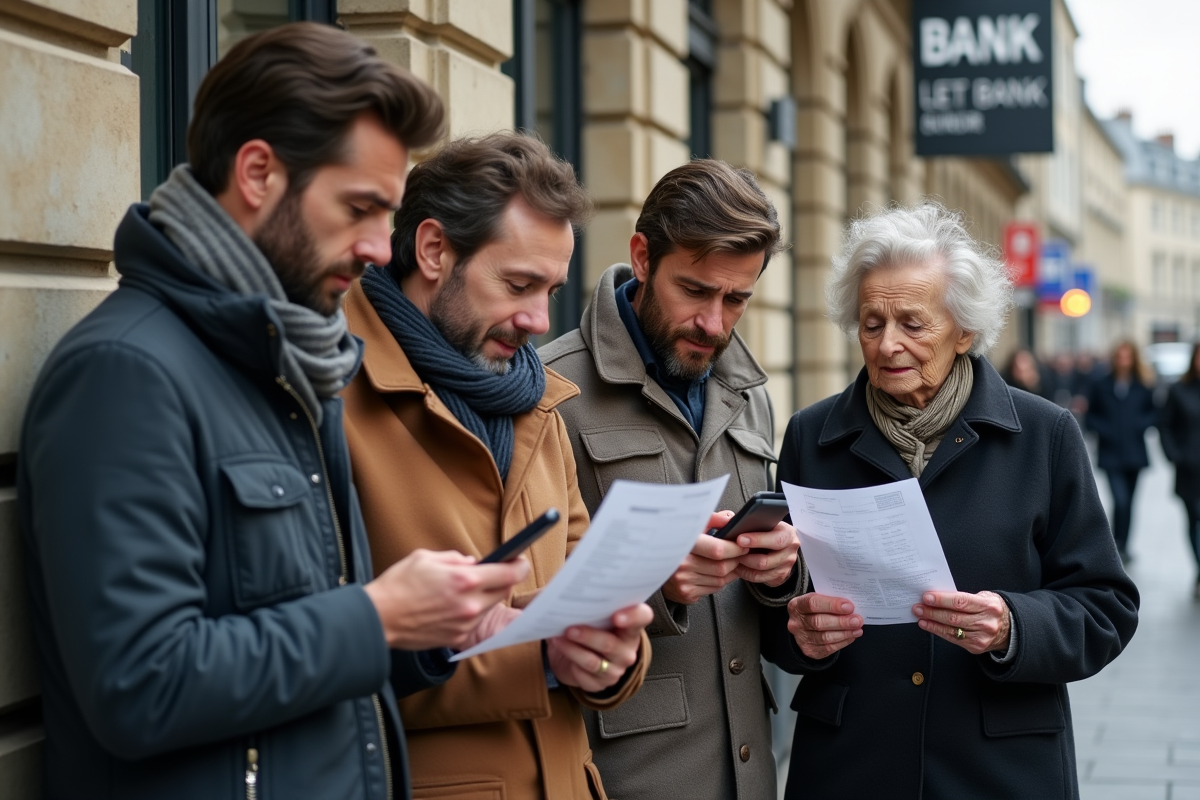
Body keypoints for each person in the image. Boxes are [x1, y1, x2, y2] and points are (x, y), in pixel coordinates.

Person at [16, 24, 534, 800]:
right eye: (359, 207)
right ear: (258, 172)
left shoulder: (292, 362)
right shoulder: (124, 373)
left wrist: (432, 632)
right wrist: (380, 616)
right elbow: (138, 685)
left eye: (385, 216)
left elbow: (307, 647)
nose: (374, 248)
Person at [762, 203, 1138, 800]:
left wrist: (1013, 626)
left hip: (999, 768)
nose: (888, 345)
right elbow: (773, 608)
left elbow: (1106, 607)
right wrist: (796, 628)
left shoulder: (1044, 435)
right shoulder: (813, 435)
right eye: (870, 322)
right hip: (850, 764)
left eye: (913, 323)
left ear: (964, 329)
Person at [340, 132, 653, 800]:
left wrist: (615, 656)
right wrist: (539, 653)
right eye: (517, 284)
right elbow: (320, 658)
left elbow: (582, 596)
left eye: (551, 289)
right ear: (433, 251)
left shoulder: (536, 400)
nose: (539, 319)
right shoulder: (334, 396)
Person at [540, 160, 805, 800]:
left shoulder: (750, 395)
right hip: (628, 773)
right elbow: (525, 598)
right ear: (641, 257)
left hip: (749, 768)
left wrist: (781, 575)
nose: (713, 323)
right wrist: (658, 585)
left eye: (736, 299)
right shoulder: (551, 390)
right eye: (694, 290)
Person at [1086, 340, 1158, 561]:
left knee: (1130, 502)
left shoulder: (1143, 384)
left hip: (1135, 452)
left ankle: (1124, 544)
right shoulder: (1101, 384)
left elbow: (1153, 412)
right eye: (1120, 356)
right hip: (1111, 452)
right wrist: (1104, 430)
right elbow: (1090, 416)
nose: (1124, 361)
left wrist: (1140, 425)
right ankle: (1116, 542)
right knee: (1120, 500)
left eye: (1128, 357)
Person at [1158, 342, 1200, 597]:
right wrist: (1174, 455)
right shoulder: (1179, 391)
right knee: (1194, 518)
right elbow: (1164, 424)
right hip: (1190, 469)